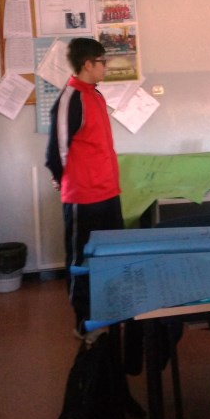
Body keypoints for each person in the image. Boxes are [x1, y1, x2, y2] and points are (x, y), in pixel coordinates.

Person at [45, 37, 122, 333]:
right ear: (88, 64)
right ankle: (84, 320)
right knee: (83, 259)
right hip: (84, 197)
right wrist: (63, 180)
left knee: (110, 255)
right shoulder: (71, 99)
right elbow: (56, 152)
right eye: (102, 62)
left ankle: (109, 311)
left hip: (108, 192)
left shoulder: (96, 95)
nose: (106, 68)